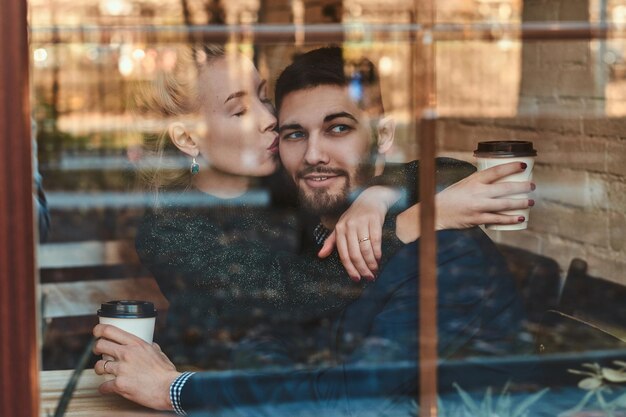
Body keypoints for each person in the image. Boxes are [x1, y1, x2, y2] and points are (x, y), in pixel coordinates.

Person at [93, 46, 533, 414]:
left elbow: (446, 170)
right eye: (295, 134)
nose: (270, 121)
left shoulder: (436, 249)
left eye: (264, 100)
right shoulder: (184, 225)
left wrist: (380, 196)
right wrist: (407, 220)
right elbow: (291, 299)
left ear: (382, 136)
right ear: (188, 139)